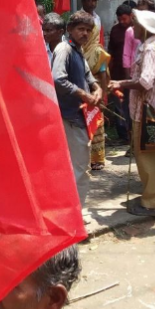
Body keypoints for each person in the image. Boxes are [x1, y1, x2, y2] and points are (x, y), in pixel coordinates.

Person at [109, 10, 155, 217]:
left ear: (145, 28)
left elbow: (145, 82)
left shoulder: (149, 49)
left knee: (146, 157)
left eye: (136, 24)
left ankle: (152, 202)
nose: (133, 27)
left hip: (146, 111)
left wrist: (121, 83)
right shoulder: (154, 46)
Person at [52, 11, 102, 218]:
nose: (85, 33)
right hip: (69, 116)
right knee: (80, 167)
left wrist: (96, 88)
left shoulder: (77, 49)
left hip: (78, 116)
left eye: (88, 30)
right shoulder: (64, 49)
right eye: (81, 29)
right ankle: (76, 214)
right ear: (70, 29)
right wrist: (83, 94)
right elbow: (58, 79)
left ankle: (72, 210)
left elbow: (88, 75)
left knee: (75, 166)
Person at [83, 24, 110, 170]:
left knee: (97, 125)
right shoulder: (79, 49)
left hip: (96, 92)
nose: (86, 34)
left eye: (89, 31)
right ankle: (86, 158)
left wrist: (103, 95)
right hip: (82, 92)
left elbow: (103, 75)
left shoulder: (99, 52)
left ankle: (97, 159)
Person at [107, 4, 133, 144]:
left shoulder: (136, 30)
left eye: (124, 19)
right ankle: (123, 135)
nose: (122, 22)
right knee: (119, 105)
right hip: (117, 74)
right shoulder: (115, 30)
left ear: (131, 16)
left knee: (131, 106)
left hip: (133, 76)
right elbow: (110, 51)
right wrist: (107, 71)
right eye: (120, 19)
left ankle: (132, 134)